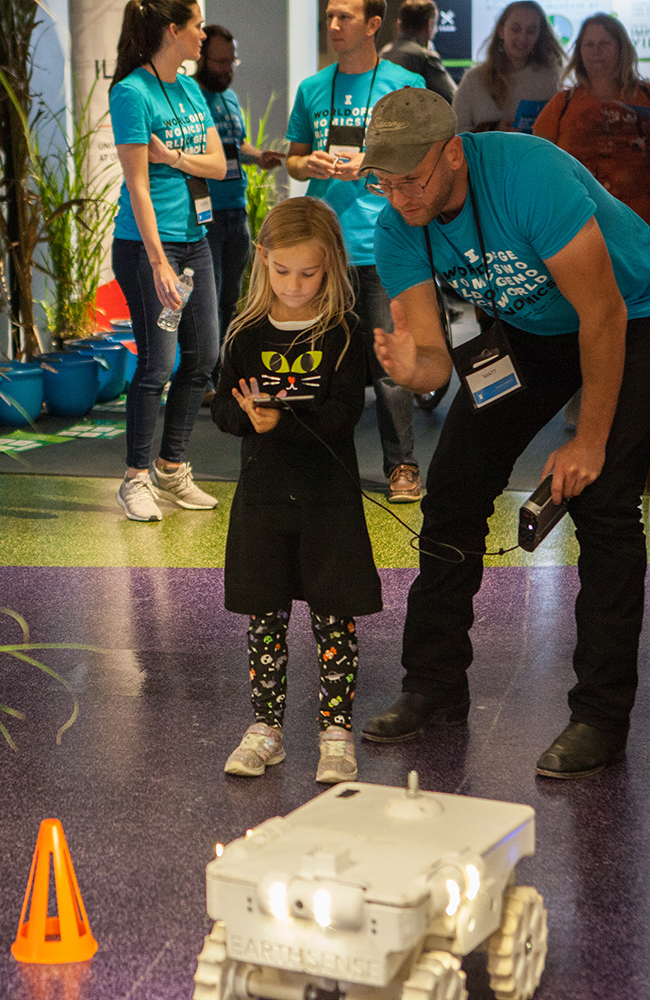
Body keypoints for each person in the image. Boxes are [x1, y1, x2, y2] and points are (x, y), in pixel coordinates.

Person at [358, 89, 650, 779]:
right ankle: (434, 685)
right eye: (383, 182)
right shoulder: (399, 226)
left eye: (410, 179)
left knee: (603, 501)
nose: (398, 196)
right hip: (535, 328)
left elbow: (602, 313)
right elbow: (436, 361)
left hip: (636, 311)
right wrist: (410, 367)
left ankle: (600, 716)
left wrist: (589, 440)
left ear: (452, 153)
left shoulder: (528, 175)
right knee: (452, 487)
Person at [211, 197, 381, 784]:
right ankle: (266, 728)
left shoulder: (344, 331)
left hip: (327, 500)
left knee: (335, 619)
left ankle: (336, 732)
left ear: (332, 265)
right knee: (265, 619)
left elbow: (345, 409)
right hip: (262, 499)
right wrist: (247, 420)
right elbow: (223, 405)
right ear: (262, 261)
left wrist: (283, 420)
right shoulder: (244, 332)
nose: (294, 284)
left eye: (308, 273)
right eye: (282, 271)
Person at [286, 0, 425, 503]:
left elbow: (425, 153)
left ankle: (402, 466)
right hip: (322, 246)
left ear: (373, 24)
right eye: (329, 17)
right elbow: (294, 160)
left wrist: (372, 162)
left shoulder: (404, 87)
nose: (334, 26)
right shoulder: (312, 88)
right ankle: (320, 461)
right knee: (319, 360)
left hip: (383, 243)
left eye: (345, 17)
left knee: (389, 364)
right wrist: (310, 164)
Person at [109, 0, 226, 523]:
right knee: (158, 362)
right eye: (198, 26)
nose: (204, 35)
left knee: (203, 355)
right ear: (172, 30)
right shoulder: (131, 93)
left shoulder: (191, 89)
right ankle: (135, 478)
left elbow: (219, 166)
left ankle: (171, 468)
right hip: (146, 249)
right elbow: (137, 186)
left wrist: (174, 157)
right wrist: (157, 262)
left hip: (194, 240)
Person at [194, 24, 285, 392]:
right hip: (206, 215)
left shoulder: (229, 99)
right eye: (221, 62)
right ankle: (201, 378)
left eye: (232, 61)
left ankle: (223, 372)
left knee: (230, 298)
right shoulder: (191, 98)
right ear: (201, 58)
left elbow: (238, 145)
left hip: (236, 209)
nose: (228, 69)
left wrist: (258, 156)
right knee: (209, 300)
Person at [533, 14, 650, 229]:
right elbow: (539, 161)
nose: (596, 50)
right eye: (589, 44)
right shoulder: (561, 104)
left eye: (605, 43)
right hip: (578, 221)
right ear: (579, 52)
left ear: (622, 49)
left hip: (640, 222)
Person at [452, 1, 565, 134]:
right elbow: (455, 133)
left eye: (531, 31)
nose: (523, 37)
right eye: (515, 29)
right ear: (501, 31)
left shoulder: (551, 79)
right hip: (487, 155)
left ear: (539, 35)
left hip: (535, 154)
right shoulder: (474, 79)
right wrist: (492, 129)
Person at [380, 0, 456, 105]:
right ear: (429, 26)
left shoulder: (383, 53)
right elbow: (455, 99)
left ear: (399, 25)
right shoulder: (425, 57)